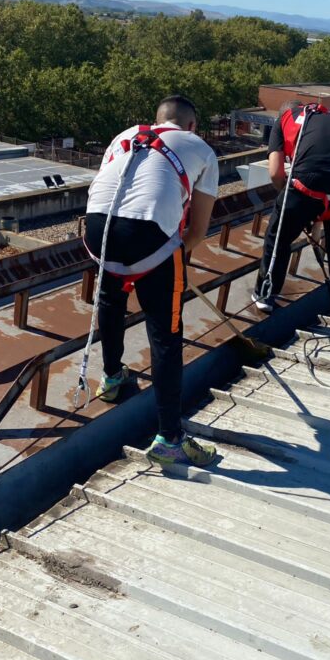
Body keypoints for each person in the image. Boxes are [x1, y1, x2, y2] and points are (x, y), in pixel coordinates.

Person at [83, 95, 218, 467]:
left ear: (156, 120)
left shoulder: (124, 136)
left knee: (110, 300)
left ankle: (111, 378)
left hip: (98, 230)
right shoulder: (202, 149)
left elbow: (107, 191)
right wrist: (167, 264)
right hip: (150, 235)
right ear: (191, 126)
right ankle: (170, 438)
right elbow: (197, 231)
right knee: (165, 332)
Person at [252, 100, 330, 340]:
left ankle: (265, 295)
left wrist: (293, 205)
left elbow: (275, 173)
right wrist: (315, 217)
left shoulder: (284, 120)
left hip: (307, 182)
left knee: (278, 237)